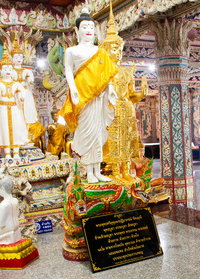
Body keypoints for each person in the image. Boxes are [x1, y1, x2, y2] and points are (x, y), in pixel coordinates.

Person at [59, 8, 118, 183]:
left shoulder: (100, 51)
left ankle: (97, 170)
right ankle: (89, 172)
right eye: (84, 26)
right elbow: (68, 70)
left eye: (91, 26)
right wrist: (73, 89)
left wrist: (111, 89)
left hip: (98, 98)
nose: (88, 30)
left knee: (98, 134)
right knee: (86, 133)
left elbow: (107, 74)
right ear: (77, 31)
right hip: (83, 96)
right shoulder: (72, 51)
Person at [102, 6, 148, 181]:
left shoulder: (126, 72)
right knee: (114, 141)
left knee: (127, 140)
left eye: (119, 48)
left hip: (127, 109)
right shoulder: (104, 72)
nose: (117, 52)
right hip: (111, 109)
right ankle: (115, 173)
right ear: (106, 50)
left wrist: (142, 92)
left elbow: (131, 95)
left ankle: (126, 172)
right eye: (113, 48)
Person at [0, 48, 29, 160]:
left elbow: (22, 92)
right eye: (5, 68)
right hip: (2, 109)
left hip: (14, 109)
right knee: (4, 129)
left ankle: (16, 152)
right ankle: (7, 152)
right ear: (1, 70)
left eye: (10, 68)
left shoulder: (16, 84)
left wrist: (21, 96)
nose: (8, 70)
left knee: (16, 129)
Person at [0, 177, 21, 245]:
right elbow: (17, 214)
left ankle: (8, 236)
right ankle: (11, 235)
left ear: (2, 189)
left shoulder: (4, 204)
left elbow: (0, 225)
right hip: (16, 225)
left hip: (8, 228)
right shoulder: (15, 200)